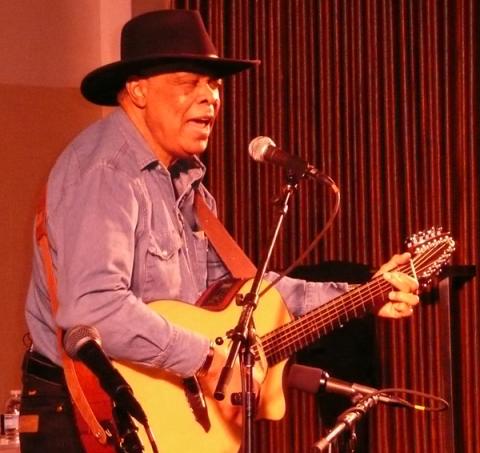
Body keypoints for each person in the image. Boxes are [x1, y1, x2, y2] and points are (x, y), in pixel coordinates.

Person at [19, 9, 419, 453]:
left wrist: (363, 294)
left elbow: (239, 294)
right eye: (188, 83)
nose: (209, 97)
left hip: (154, 413)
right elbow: (93, 307)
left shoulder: (188, 184)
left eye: (213, 85)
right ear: (137, 91)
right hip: (81, 417)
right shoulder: (107, 173)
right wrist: (205, 358)